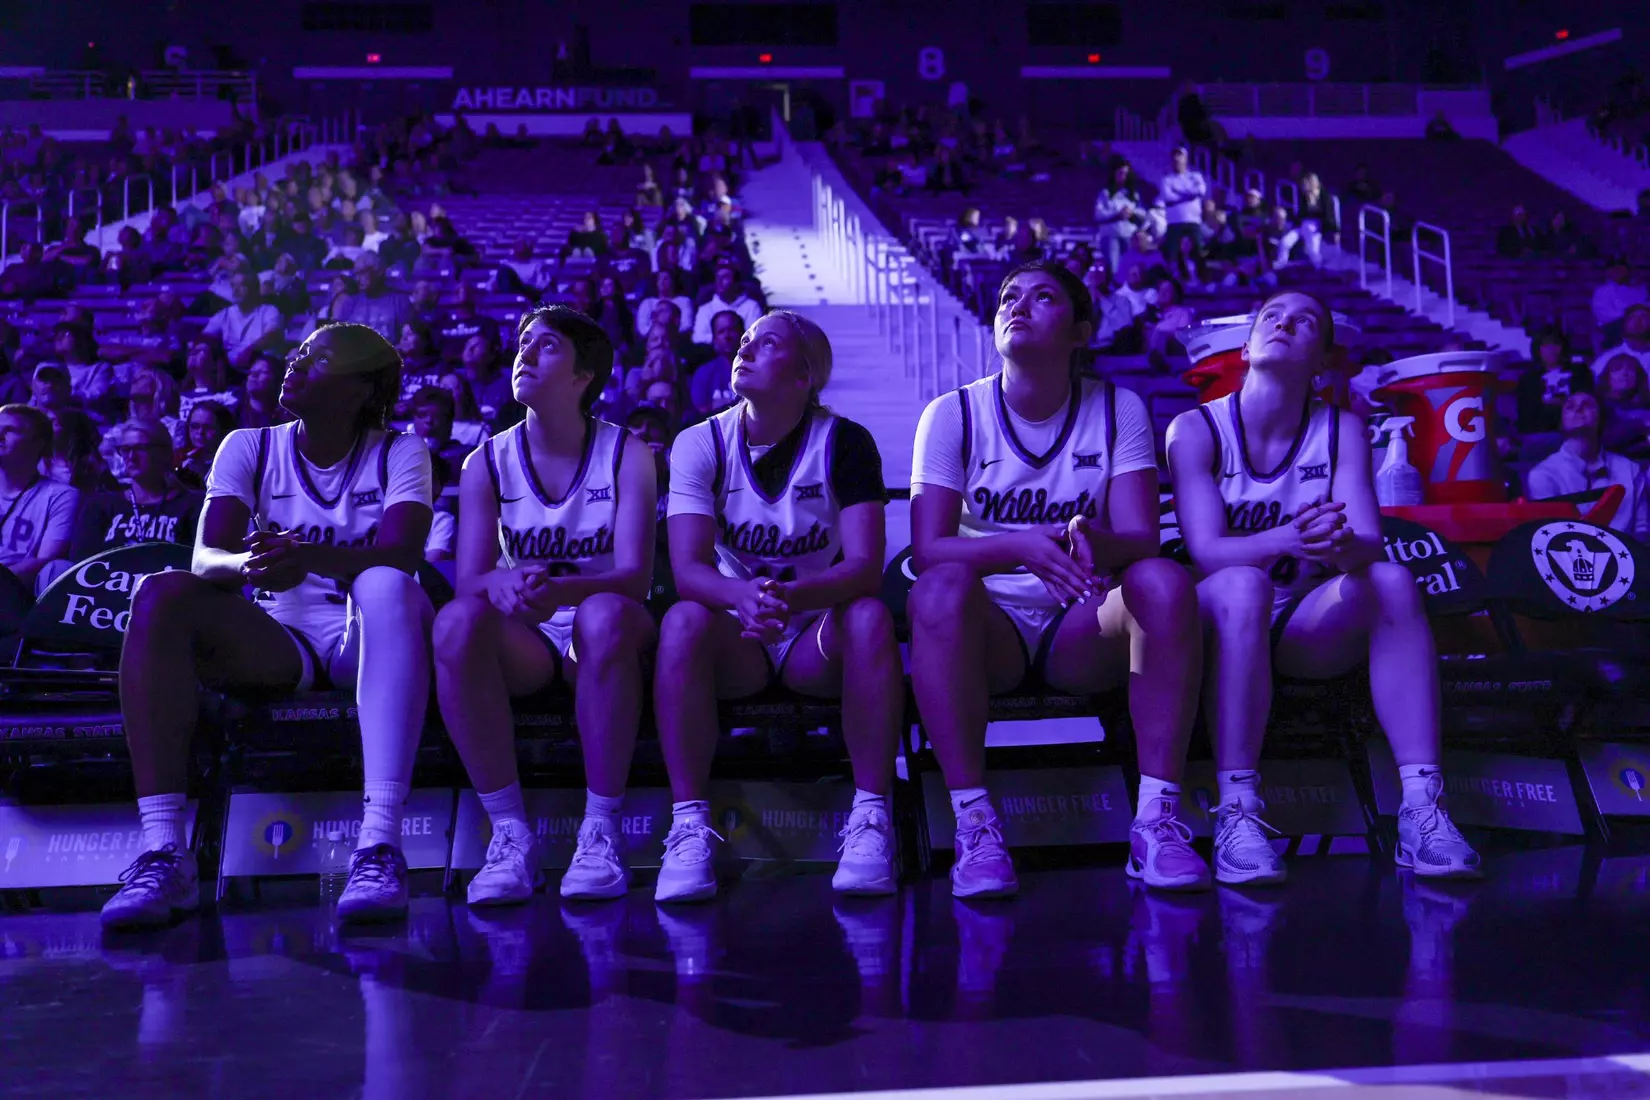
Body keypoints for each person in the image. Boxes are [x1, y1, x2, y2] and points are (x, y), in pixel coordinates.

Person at [99, 323, 437, 930]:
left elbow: (404, 556)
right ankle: (163, 852)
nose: (294, 365)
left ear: (361, 389)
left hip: (370, 633)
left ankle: (379, 844)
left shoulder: (401, 450)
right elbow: (208, 557)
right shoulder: (247, 446)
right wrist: (253, 565)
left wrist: (307, 556)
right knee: (160, 593)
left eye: (316, 359)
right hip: (284, 639)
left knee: (387, 583)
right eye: (296, 355)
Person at [907, 262, 1210, 899]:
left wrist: (1099, 541)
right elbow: (929, 550)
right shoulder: (951, 414)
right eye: (1008, 298)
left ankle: (1156, 822)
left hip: (1083, 623)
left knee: (1163, 581)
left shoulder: (1118, 406)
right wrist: (1016, 544)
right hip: (988, 634)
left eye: (1042, 298)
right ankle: (975, 826)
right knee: (936, 590)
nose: (1018, 305)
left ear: (1080, 331)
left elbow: (1141, 540)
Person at [1165, 290, 1481, 883]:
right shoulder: (1194, 429)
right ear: (1248, 344)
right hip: (1216, 621)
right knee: (1241, 588)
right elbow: (1207, 552)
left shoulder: (1344, 431)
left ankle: (1422, 810)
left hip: (1301, 622)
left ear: (1324, 359)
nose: (1284, 324)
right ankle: (1236, 811)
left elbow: (1367, 542)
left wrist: (1340, 544)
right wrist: (1289, 539)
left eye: (1304, 321)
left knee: (1388, 580)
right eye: (1271, 317)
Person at [654, 310, 900, 903]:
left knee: (870, 615)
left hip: (816, 627)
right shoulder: (699, 441)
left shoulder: (846, 442)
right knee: (683, 620)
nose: (745, 347)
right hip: (738, 630)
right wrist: (743, 596)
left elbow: (865, 566)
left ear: (804, 376)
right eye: (744, 340)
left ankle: (872, 816)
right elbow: (688, 570)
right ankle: (689, 822)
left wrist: (790, 596)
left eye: (766, 343)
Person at [433, 306, 658, 906]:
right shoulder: (484, 461)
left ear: (584, 375)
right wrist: (497, 586)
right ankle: (509, 834)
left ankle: (600, 829)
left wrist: (562, 590)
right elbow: (469, 582)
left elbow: (635, 578)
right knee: (456, 624)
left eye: (547, 346)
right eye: (523, 343)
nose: (525, 354)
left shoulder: (629, 453)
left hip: (605, 631)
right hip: (529, 641)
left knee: (603, 614)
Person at [70, 418, 203, 559]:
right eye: (125, 450)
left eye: (140, 449)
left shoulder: (192, 505)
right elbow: (80, 563)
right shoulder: (100, 505)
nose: (131, 457)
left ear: (164, 454)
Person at [1526, 391, 1650, 538]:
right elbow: (1549, 535)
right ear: (1561, 421)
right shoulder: (1543, 475)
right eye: (1570, 406)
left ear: (1601, 419)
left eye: (1587, 405)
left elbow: (1642, 530)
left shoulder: (1630, 470)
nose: (1578, 409)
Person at [0, 404, 79, 593]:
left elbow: (47, 561)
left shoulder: (61, 495)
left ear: (39, 443)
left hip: (13, 593)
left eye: (11, 430)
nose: (0, 436)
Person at [202, 270, 285, 371]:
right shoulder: (224, 314)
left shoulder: (269, 310)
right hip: (230, 369)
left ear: (255, 289)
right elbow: (205, 337)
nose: (236, 290)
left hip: (260, 366)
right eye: (233, 286)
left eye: (242, 285)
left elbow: (272, 335)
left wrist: (250, 350)